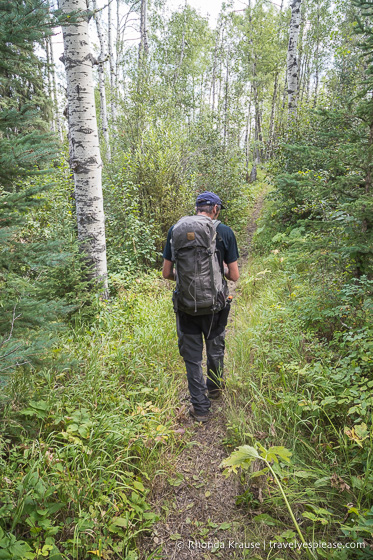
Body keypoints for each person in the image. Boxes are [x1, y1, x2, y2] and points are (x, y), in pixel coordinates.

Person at [162, 191, 239, 423]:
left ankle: (201, 408)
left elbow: (166, 273)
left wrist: (188, 279)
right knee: (215, 348)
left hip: (186, 306)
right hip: (215, 305)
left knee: (193, 358)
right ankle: (214, 389)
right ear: (215, 209)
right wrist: (219, 270)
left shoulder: (176, 230)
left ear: (197, 208)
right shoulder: (224, 232)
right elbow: (234, 276)